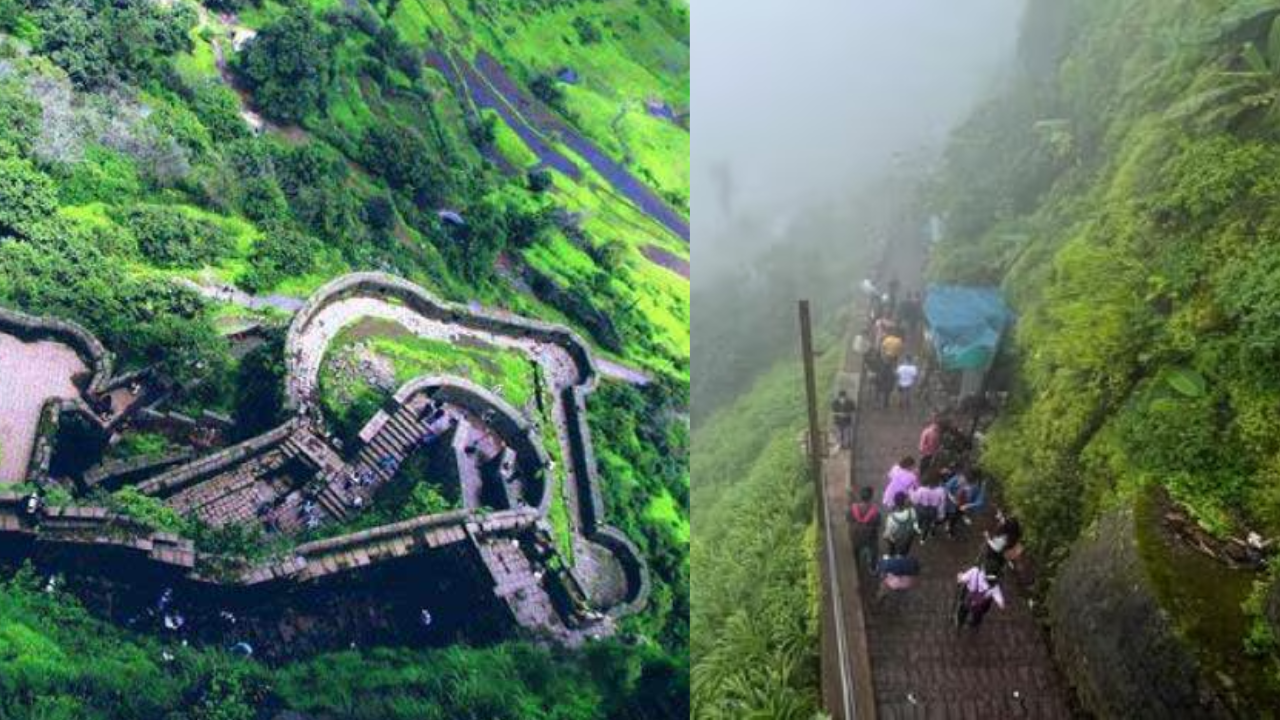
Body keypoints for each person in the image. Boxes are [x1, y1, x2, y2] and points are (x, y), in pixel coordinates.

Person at [954, 556, 1007, 630]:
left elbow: (962, 579)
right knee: (978, 614)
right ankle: (974, 624)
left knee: (963, 610)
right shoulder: (994, 586)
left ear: (983, 568)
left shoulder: (975, 571)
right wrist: (1001, 603)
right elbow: (999, 599)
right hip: (980, 604)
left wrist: (959, 576)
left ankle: (960, 622)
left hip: (968, 597)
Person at [943, 465, 986, 537]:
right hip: (952, 503)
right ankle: (948, 524)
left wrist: (967, 506)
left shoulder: (980, 486)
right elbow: (946, 487)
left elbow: (980, 501)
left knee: (957, 515)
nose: (961, 480)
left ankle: (952, 524)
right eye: (962, 477)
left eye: (965, 480)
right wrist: (951, 497)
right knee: (949, 514)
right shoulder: (958, 477)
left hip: (964, 505)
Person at [848, 486, 881, 574]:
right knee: (875, 550)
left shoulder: (852, 508)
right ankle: (873, 568)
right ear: (871, 498)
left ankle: (856, 564)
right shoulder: (875, 512)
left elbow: (848, 519)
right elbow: (878, 524)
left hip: (855, 536)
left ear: (860, 497)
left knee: (855, 549)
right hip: (870, 538)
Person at [883, 491, 919, 557]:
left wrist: (885, 536)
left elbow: (888, 533)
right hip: (907, 539)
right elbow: (915, 525)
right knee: (904, 552)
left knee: (890, 543)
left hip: (896, 540)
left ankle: (892, 556)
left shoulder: (891, 517)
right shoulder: (912, 511)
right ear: (905, 502)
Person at [910, 479, 947, 543]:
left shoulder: (921, 490)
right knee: (927, 525)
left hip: (921, 509)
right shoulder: (941, 491)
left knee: (919, 520)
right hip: (932, 511)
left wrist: (911, 490)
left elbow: (915, 500)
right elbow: (942, 504)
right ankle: (923, 539)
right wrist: (941, 514)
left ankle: (917, 530)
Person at [918, 414, 943, 479]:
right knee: (927, 466)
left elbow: (922, 441)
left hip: (924, 451)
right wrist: (936, 451)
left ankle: (922, 476)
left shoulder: (926, 430)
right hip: (928, 452)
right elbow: (932, 444)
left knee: (923, 466)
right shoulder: (934, 432)